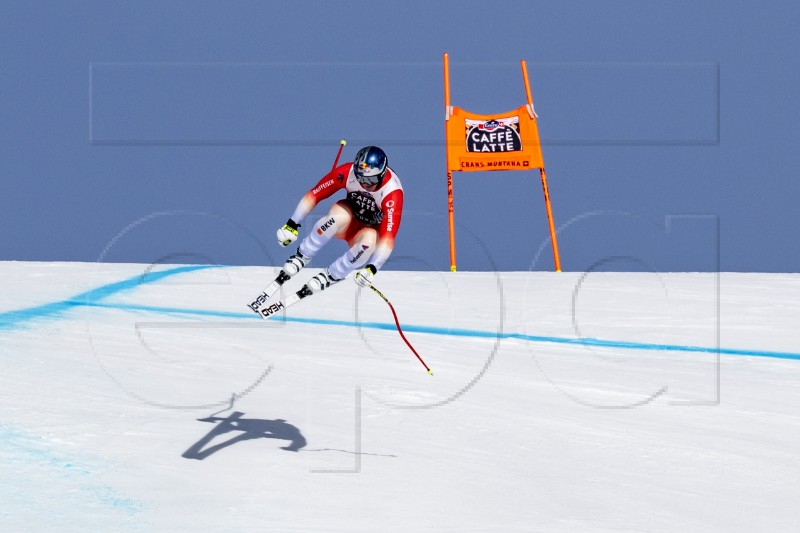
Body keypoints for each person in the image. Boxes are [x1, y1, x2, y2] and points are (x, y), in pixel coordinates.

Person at [275, 145, 404, 293]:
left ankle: (333, 274)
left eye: (371, 180)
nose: (364, 184)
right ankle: (302, 256)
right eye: (360, 178)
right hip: (347, 221)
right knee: (337, 217)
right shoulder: (348, 172)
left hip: (365, 231)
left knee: (369, 242)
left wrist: (372, 268)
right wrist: (292, 224)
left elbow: (388, 237)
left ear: (381, 175)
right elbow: (315, 194)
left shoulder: (392, 193)